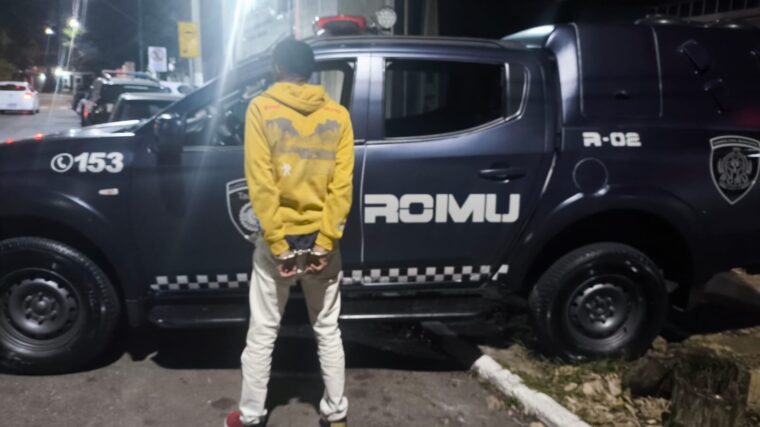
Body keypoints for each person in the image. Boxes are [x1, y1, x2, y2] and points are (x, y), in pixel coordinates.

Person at [225, 38, 354, 427]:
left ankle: (250, 416)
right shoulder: (338, 115)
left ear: (277, 68)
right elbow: (341, 188)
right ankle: (336, 414)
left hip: (277, 243)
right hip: (322, 243)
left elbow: (261, 184)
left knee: (263, 332)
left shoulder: (261, 109)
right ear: (310, 71)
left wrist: (280, 247)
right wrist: (324, 244)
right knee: (327, 329)